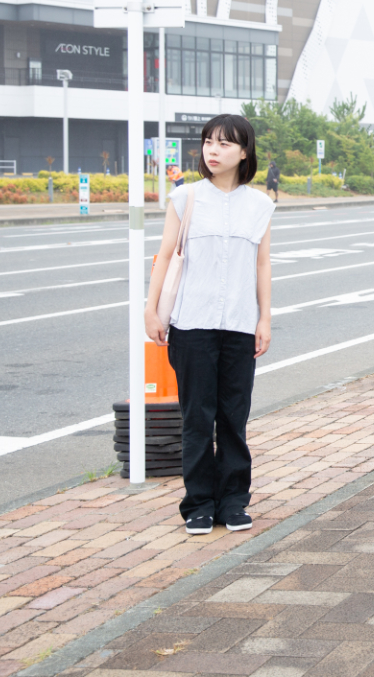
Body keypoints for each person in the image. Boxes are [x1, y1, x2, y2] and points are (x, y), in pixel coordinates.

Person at [144, 114, 274, 535]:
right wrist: (151, 308)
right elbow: (165, 255)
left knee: (233, 418)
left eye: (223, 144)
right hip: (192, 323)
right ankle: (198, 504)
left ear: (243, 152)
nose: (212, 151)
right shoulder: (186, 198)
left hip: (239, 323)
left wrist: (264, 319)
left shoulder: (260, 205)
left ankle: (234, 501)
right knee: (196, 418)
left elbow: (262, 264)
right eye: (207, 142)